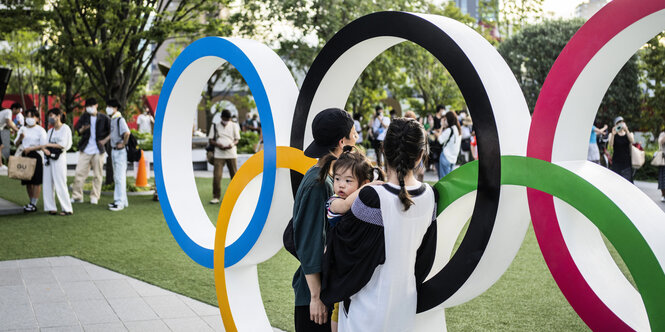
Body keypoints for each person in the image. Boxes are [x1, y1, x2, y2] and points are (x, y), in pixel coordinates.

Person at [321, 118, 437, 332]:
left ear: (383, 149)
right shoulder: (430, 196)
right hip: (404, 305)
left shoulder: (371, 196)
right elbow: (425, 260)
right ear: (421, 155)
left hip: (365, 309)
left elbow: (343, 253)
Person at [291, 108, 357, 332]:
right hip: (314, 300)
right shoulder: (319, 184)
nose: (357, 138)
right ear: (342, 142)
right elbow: (309, 243)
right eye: (354, 133)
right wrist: (316, 298)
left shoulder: (327, 178)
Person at [317, 145, 385, 331]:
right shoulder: (334, 202)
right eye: (337, 178)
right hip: (337, 262)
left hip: (351, 262)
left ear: (360, 183)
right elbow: (346, 205)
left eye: (348, 181)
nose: (340, 185)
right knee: (338, 308)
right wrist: (369, 187)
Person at [71, 98, 111, 205]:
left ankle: (95, 196)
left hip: (98, 150)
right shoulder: (84, 117)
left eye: (91, 105)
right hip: (85, 149)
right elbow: (78, 131)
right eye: (87, 106)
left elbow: (112, 131)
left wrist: (104, 140)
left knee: (98, 175)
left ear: (96, 105)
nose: (89, 108)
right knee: (79, 172)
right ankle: (77, 196)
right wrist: (83, 129)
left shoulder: (104, 118)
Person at [14, 108, 47, 212]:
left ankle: (33, 203)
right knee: (27, 181)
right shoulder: (23, 129)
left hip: (36, 156)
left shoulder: (40, 130)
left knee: (36, 181)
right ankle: (31, 202)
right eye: (27, 116)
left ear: (37, 118)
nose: (29, 119)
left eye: (32, 116)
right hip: (25, 156)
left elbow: (43, 145)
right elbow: (16, 143)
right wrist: (20, 138)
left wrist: (31, 148)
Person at [42, 108, 73, 216]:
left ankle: (67, 208)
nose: (50, 118)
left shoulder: (65, 129)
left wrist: (47, 146)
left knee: (60, 182)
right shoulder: (50, 131)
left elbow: (63, 144)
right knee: (47, 183)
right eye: (49, 115)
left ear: (58, 116)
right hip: (48, 159)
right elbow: (44, 145)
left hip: (59, 159)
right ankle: (51, 207)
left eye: (52, 115)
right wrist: (45, 150)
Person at [208, 109, 240, 204]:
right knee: (217, 176)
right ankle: (216, 197)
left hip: (231, 153)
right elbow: (211, 140)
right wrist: (219, 145)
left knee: (234, 175)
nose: (227, 120)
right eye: (225, 118)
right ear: (221, 117)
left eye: (228, 119)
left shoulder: (234, 125)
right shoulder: (215, 126)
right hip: (219, 154)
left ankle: (236, 196)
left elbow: (237, 139)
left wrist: (232, 144)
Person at [107, 100, 130, 211]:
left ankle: (119, 202)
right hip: (114, 150)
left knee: (119, 177)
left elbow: (127, 133)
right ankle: (121, 200)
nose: (108, 108)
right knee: (117, 177)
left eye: (110, 106)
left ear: (115, 107)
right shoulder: (113, 119)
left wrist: (123, 143)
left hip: (120, 151)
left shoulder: (120, 120)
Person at [608, 116, 635, 183]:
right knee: (616, 182)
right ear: (615, 125)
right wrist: (613, 134)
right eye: (618, 123)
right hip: (616, 162)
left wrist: (627, 130)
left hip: (626, 162)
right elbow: (611, 145)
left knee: (627, 182)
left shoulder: (629, 134)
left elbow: (632, 141)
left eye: (621, 122)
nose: (620, 124)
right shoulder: (612, 134)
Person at [437, 111, 461, 178]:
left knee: (444, 179)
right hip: (453, 158)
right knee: (449, 179)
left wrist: (442, 126)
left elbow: (440, 140)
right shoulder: (458, 129)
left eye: (445, 119)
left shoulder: (449, 130)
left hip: (446, 156)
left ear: (448, 119)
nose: (445, 121)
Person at [0, 102, 21, 168]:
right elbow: (9, 123)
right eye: (19, 109)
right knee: (0, 146)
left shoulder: (8, 112)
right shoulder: (9, 111)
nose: (19, 111)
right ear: (14, 109)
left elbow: (9, 124)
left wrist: (15, 128)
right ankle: (0, 165)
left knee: (1, 146)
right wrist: (17, 130)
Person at [657, 131, 665, 202]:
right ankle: (663, 195)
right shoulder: (662, 134)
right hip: (663, 160)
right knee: (662, 178)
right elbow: (660, 142)